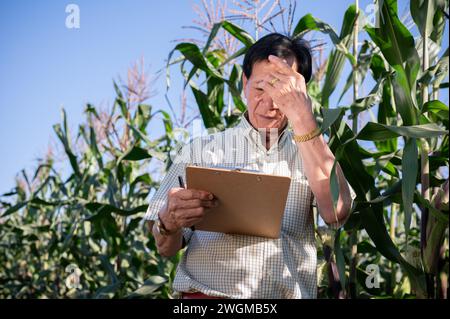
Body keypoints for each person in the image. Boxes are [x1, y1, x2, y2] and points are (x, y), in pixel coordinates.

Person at [145, 33, 355, 299]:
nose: (269, 105)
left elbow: (337, 212)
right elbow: (165, 248)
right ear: (244, 83)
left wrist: (303, 118)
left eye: (281, 93)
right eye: (259, 89)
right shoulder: (200, 151)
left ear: (300, 93)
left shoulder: (312, 152)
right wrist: (168, 222)